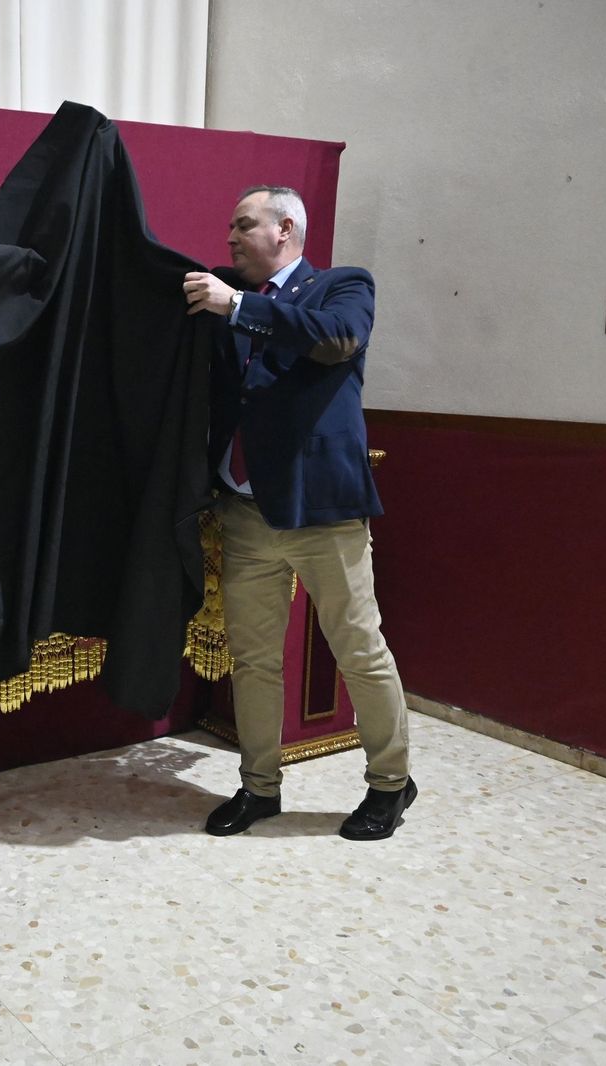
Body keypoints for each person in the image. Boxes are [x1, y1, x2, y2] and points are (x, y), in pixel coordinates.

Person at [181, 185, 415, 842]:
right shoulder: (226, 295)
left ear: (285, 229)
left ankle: (391, 783)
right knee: (253, 659)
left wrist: (240, 307)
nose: (229, 237)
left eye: (243, 224)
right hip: (247, 515)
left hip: (323, 515)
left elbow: (336, 340)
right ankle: (259, 787)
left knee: (358, 650)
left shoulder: (341, 287)